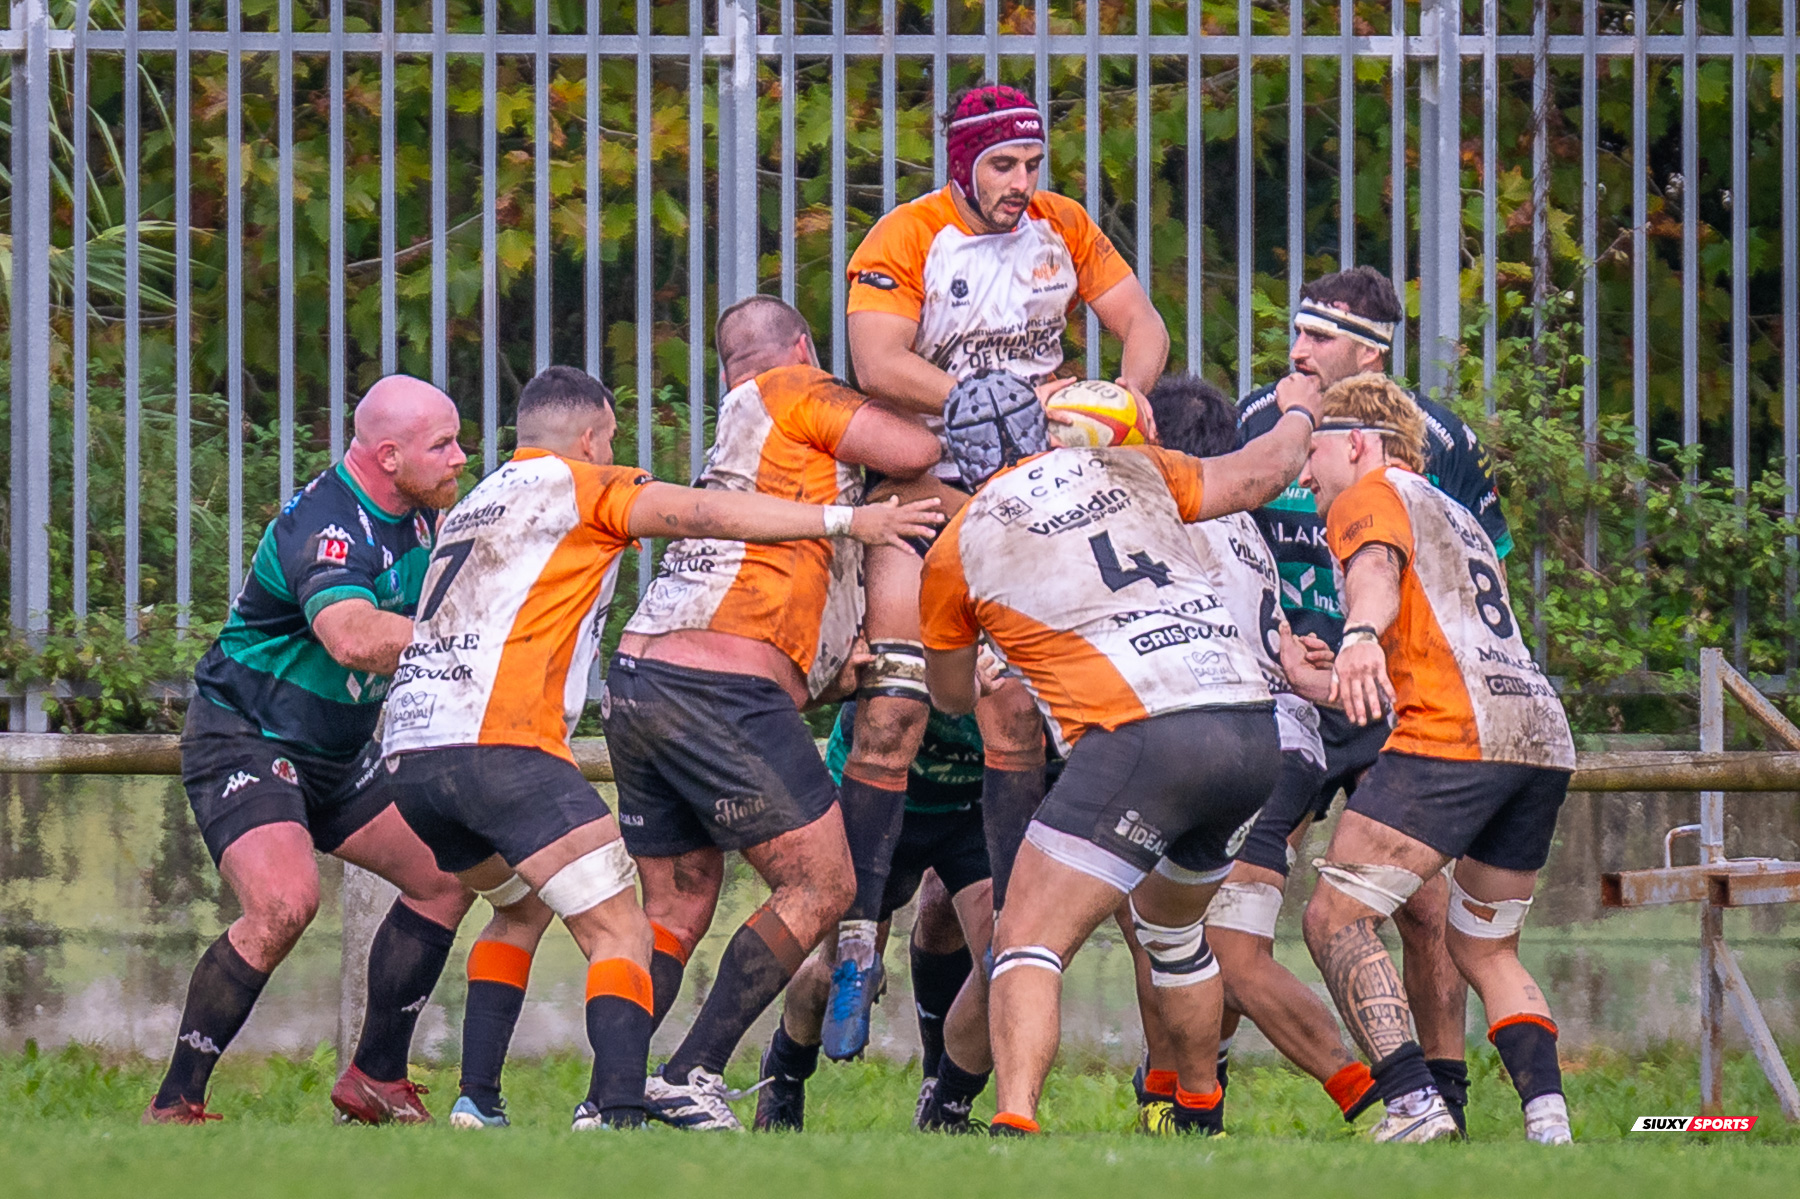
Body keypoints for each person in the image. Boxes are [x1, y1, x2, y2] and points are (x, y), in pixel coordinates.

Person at [377, 363, 940, 1132]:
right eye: (610, 440)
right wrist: (848, 524)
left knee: (515, 907)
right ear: (588, 439)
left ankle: (478, 1100)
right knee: (621, 927)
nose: (615, 453)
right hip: (498, 742)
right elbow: (705, 512)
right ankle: (620, 1109)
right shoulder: (582, 485)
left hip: (410, 749)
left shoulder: (474, 503)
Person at [827, 81, 1172, 1054]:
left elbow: (1143, 328)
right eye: (1004, 166)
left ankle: (1028, 926)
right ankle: (859, 931)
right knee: (898, 703)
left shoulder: (1065, 224)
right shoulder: (905, 236)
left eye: (1034, 165)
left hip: (1044, 484)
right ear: (962, 162)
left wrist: (1116, 399)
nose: (1023, 184)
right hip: (929, 483)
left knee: (1038, 702)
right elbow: (877, 363)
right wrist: (993, 404)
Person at [918, 370, 1322, 1136]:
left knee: (1029, 937)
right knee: (1174, 934)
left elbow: (946, 697)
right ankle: (1199, 1107)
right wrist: (1302, 403)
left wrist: (992, 661)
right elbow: (1264, 472)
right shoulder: (1134, 465)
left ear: (959, 466)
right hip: (1248, 726)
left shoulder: (958, 542)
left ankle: (1014, 1120)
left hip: (1141, 731)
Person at [603, 298, 945, 1130]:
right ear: (800, 348)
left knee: (679, 902)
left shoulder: (753, 444)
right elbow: (915, 448)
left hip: (641, 675)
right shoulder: (797, 387)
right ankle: (692, 1071)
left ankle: (609, 1098)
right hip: (719, 687)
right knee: (823, 882)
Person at [144, 376, 476, 1126]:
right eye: (443, 444)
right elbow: (353, 636)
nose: (461, 456)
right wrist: (470, 646)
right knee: (284, 903)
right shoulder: (327, 525)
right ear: (388, 456)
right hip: (246, 736)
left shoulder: (422, 515)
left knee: (447, 878)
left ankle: (375, 1079)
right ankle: (176, 1102)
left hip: (337, 750)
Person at [1234, 266, 1512, 1128]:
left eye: (1317, 336)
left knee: (1422, 906)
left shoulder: (1440, 439)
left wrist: (1385, 648)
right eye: (1297, 331)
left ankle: (1442, 1097)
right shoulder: (1260, 419)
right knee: (1231, 892)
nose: (1296, 349)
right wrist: (1275, 635)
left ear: (1369, 353)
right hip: (1286, 690)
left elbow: (1478, 568)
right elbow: (1220, 544)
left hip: (1393, 697)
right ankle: (1181, 1087)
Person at [1297, 374, 1576, 1146]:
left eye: (1313, 449)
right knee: (1484, 944)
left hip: (1459, 734)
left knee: (1336, 913)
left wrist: (1356, 635)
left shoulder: (1371, 491)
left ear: (1356, 441)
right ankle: (1548, 1122)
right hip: (1540, 733)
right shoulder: (1459, 511)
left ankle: (1414, 1103)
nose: (1303, 472)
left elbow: (1376, 573)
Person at [1123, 374, 1377, 1134]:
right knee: (1160, 922)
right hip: (1268, 739)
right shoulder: (1233, 516)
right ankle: (1170, 1098)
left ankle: (1382, 1096)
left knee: (1230, 951)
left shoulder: (1172, 514)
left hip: (1245, 743)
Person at [752, 701, 992, 1131]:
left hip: (969, 806)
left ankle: (946, 1102)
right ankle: (785, 1068)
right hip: (878, 794)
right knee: (838, 970)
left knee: (1004, 964)